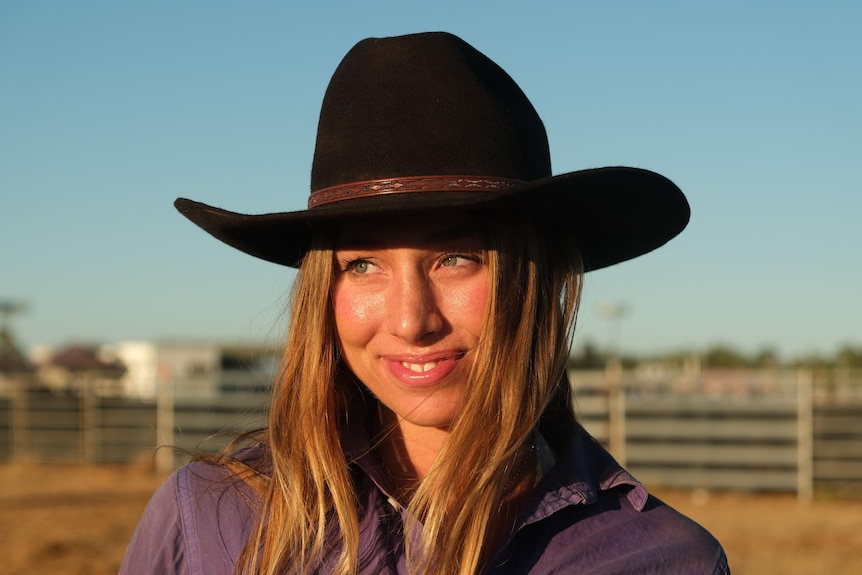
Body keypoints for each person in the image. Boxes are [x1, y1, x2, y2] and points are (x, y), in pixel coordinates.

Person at [120, 32, 729, 575]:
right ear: (320, 295)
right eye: (362, 265)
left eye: (456, 258)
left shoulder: (663, 558)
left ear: (536, 281)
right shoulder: (208, 521)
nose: (412, 320)